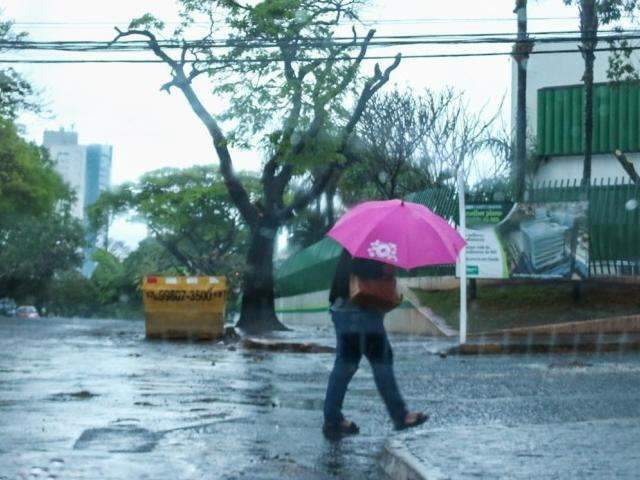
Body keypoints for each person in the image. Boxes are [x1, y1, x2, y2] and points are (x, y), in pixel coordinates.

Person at [323, 249, 428, 439]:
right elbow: (363, 268)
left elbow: (348, 271)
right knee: (382, 360)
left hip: (342, 309)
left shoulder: (355, 243)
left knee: (345, 364)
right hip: (363, 311)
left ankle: (332, 418)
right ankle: (400, 416)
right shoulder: (374, 244)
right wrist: (386, 268)